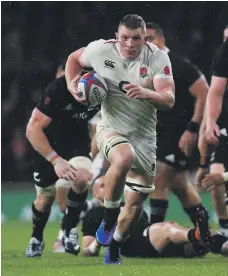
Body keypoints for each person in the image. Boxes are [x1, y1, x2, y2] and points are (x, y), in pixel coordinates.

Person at [65, 14, 175, 264]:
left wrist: (147, 93)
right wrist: (73, 85)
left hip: (145, 137)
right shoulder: (99, 50)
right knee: (124, 157)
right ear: (117, 37)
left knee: (134, 209)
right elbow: (74, 58)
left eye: (135, 38)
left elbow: (169, 99)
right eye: (124, 37)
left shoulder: (157, 57)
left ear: (144, 38)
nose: (129, 43)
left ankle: (114, 244)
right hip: (110, 129)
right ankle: (108, 217)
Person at [25, 64, 99, 257]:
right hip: (48, 144)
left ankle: (69, 229)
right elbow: (32, 129)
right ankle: (36, 238)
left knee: (82, 178)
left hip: (77, 142)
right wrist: (56, 160)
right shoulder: (56, 90)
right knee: (45, 199)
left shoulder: (104, 88)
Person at [145, 22, 209, 226]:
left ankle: (153, 235)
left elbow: (204, 93)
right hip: (159, 132)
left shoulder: (177, 64)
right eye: (143, 39)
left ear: (162, 40)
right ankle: (205, 232)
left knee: (158, 180)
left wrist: (192, 129)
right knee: (180, 185)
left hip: (179, 133)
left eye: (151, 38)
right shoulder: (144, 66)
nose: (147, 44)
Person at [82, 174, 228, 258]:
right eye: (102, 185)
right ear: (94, 194)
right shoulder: (92, 215)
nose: (108, 186)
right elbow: (87, 250)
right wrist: (100, 239)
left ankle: (220, 244)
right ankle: (196, 235)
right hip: (134, 247)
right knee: (166, 228)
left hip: (152, 241)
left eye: (110, 182)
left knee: (208, 236)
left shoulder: (128, 205)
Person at [196, 37, 228, 236]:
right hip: (225, 128)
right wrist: (210, 123)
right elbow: (215, 92)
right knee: (214, 180)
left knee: (218, 178)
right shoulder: (225, 52)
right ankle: (225, 229)